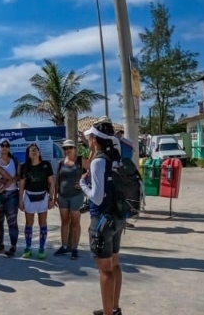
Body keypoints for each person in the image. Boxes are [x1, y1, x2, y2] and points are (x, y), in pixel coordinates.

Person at [82, 121, 125, 315]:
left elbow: (96, 197)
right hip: (117, 217)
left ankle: (108, 313)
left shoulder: (98, 161)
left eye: (90, 137)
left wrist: (83, 184)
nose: (88, 140)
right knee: (114, 264)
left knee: (104, 270)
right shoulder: (115, 157)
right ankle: (114, 308)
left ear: (95, 140)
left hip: (101, 219)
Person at [18, 143, 55, 259]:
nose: (34, 152)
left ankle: (42, 249)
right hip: (29, 197)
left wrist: (51, 199)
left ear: (39, 152)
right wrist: (20, 200)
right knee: (29, 224)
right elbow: (22, 185)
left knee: (42, 223)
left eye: (36, 150)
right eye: (31, 151)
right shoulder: (24, 167)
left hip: (43, 196)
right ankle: (28, 248)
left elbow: (52, 183)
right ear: (28, 154)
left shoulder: (46, 165)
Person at [54, 140, 86, 260]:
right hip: (63, 195)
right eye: (65, 148)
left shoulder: (80, 161)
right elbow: (58, 180)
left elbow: (91, 170)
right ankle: (64, 245)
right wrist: (54, 196)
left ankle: (74, 248)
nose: (68, 150)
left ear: (74, 148)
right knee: (64, 221)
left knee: (75, 222)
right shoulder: (61, 163)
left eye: (70, 148)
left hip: (76, 195)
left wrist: (84, 181)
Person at [0, 138, 20, 256]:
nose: (4, 147)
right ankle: (0, 244)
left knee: (12, 222)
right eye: (2, 145)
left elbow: (18, 177)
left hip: (12, 194)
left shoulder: (14, 161)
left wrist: (7, 183)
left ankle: (13, 246)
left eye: (6, 145)